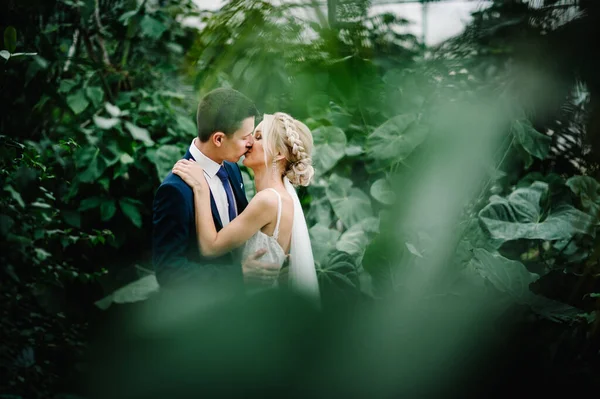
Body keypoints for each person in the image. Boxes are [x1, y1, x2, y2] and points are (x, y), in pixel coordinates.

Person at [172, 112, 321, 304]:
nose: (249, 142)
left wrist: (201, 188)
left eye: (258, 137)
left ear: (278, 153)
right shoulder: (282, 197)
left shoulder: (268, 200)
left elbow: (210, 248)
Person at [152, 88, 282, 292]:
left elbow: (241, 231)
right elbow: (169, 271)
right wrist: (237, 276)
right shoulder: (175, 190)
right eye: (245, 137)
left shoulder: (231, 167)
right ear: (219, 139)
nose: (250, 144)